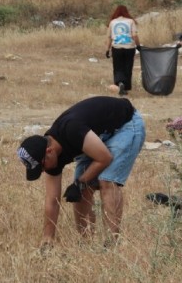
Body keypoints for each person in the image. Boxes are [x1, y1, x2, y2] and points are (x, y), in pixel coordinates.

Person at [17, 96, 145, 246]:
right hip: (97, 137)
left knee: (107, 180)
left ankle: (111, 244)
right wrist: (48, 238)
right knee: (81, 191)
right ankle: (86, 244)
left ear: (49, 151)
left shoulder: (72, 130)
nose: (44, 171)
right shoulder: (51, 157)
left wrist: (80, 182)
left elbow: (104, 159)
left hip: (126, 126)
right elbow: (52, 200)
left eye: (42, 166)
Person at [105, 5, 140, 96]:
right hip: (129, 48)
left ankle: (119, 83)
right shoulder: (131, 21)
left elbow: (109, 37)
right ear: (126, 12)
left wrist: (107, 49)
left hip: (116, 47)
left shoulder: (112, 22)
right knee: (128, 67)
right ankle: (126, 86)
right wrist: (138, 45)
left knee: (117, 67)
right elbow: (134, 35)